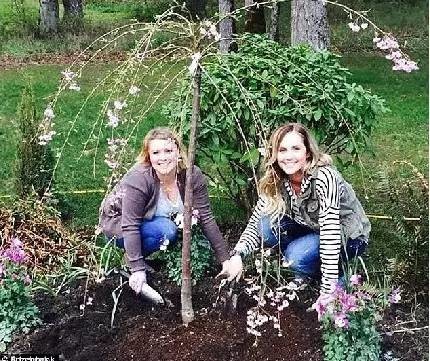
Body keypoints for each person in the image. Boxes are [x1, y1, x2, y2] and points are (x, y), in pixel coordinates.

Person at [220, 123, 371, 294]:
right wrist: (237, 255)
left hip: (349, 237)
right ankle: (306, 263)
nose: (288, 156)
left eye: (296, 149)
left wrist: (328, 292)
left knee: (295, 256)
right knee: (265, 226)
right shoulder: (277, 178)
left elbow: (331, 233)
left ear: (307, 152)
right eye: (282, 150)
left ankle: (339, 276)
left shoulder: (324, 177)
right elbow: (256, 221)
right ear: (274, 154)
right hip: (313, 227)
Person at [99, 127, 233, 303]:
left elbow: (206, 216)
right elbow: (130, 225)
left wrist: (225, 259)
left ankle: (135, 256)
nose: (163, 158)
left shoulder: (191, 176)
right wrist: (138, 270)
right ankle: (131, 259)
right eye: (156, 152)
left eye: (168, 151)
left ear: (178, 152)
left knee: (168, 231)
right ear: (149, 156)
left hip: (148, 220)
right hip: (117, 224)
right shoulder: (139, 178)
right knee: (167, 232)